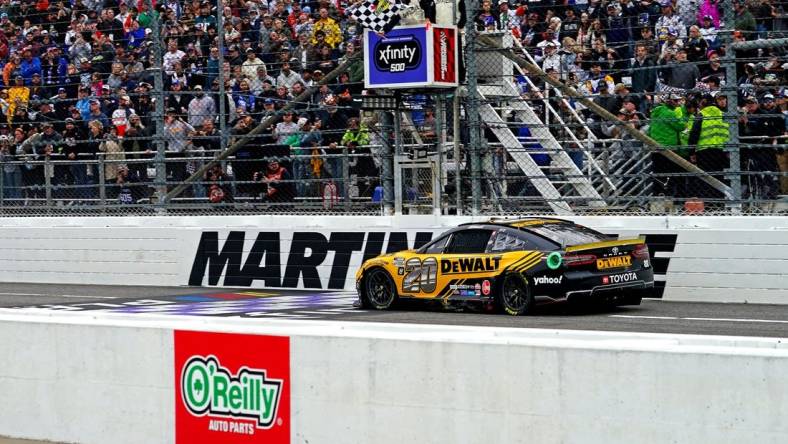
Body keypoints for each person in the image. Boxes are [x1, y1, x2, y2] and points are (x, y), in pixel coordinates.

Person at [687, 93, 730, 199]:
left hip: (704, 151)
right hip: (721, 151)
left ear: (703, 102)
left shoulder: (702, 114)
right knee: (719, 177)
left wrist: (691, 152)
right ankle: (719, 202)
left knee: (705, 178)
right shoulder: (722, 114)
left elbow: (694, 134)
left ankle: (707, 202)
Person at [649, 95, 688, 197]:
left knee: (658, 174)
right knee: (671, 174)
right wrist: (685, 119)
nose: (677, 103)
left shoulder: (655, 112)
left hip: (655, 147)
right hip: (668, 148)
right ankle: (669, 195)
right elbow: (681, 126)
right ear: (669, 101)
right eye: (675, 101)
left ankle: (658, 195)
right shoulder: (669, 113)